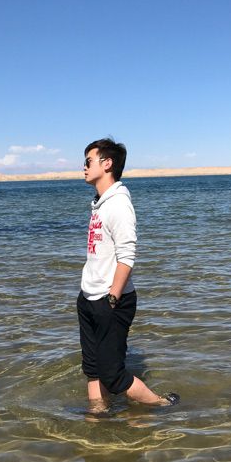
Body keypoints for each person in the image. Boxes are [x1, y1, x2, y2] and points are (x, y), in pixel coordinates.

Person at [77, 137, 180, 413]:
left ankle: (161, 404)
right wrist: (87, 295)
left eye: (88, 161)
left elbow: (127, 256)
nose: (84, 167)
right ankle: (97, 418)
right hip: (88, 297)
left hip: (111, 300)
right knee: (92, 369)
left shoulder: (119, 204)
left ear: (107, 164)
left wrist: (112, 298)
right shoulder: (100, 203)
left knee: (112, 375)